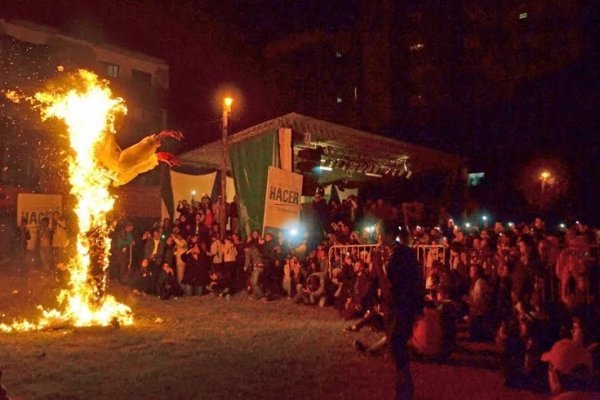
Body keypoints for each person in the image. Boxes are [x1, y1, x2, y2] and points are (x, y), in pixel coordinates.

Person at [384, 223, 425, 400]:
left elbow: (389, 285)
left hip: (403, 303)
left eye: (380, 234)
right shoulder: (405, 253)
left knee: (396, 344)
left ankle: (405, 390)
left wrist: (379, 266)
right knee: (396, 344)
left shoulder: (399, 255)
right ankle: (403, 389)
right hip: (405, 303)